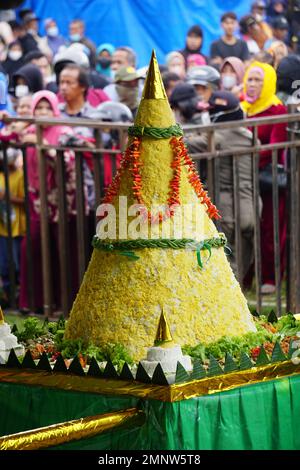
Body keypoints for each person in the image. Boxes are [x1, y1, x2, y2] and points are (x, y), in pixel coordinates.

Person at [186, 91, 259, 281]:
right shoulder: (250, 136)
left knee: (228, 256)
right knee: (245, 255)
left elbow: (183, 144)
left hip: (228, 203)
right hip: (251, 202)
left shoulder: (216, 138)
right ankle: (241, 295)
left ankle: (231, 302)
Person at [19, 90, 81, 312]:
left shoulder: (63, 131)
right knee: (33, 247)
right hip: (39, 202)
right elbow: (7, 135)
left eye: (47, 108)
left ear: (55, 109)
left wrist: (44, 145)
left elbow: (67, 163)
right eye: (39, 108)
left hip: (64, 203)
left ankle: (69, 304)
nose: (43, 112)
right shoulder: (29, 130)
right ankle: (33, 303)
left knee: (64, 251)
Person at [241, 61, 287, 294]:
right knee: (245, 228)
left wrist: (246, 153)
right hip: (241, 178)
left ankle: (271, 277)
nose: (252, 84)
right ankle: (244, 277)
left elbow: (276, 146)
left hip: (266, 180)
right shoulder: (240, 108)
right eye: (250, 78)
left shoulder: (276, 109)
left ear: (268, 82)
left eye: (258, 79)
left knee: (270, 229)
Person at [0, 148, 25, 303]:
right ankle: (9, 297)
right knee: (4, 265)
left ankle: (18, 297)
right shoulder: (1, 176)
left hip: (17, 227)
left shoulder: (21, 176)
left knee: (16, 265)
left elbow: (25, 200)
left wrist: (7, 197)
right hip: (3, 227)